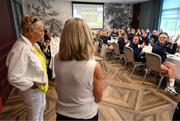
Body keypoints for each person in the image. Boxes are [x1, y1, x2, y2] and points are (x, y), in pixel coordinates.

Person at [54, 18, 103, 121]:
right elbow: (98, 98)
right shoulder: (94, 66)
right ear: (86, 37)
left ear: (64, 36)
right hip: (86, 115)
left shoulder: (56, 58)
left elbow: (58, 87)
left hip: (61, 114)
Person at [6, 15, 48, 121]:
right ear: (30, 31)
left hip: (39, 88)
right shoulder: (21, 48)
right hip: (32, 90)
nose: (43, 33)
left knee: (40, 111)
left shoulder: (33, 45)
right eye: (41, 30)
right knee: (34, 116)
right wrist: (32, 85)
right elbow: (13, 76)